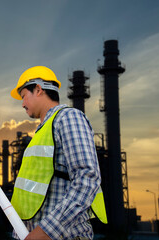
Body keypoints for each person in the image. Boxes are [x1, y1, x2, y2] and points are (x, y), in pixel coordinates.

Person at [10, 66, 107, 240]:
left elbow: (87, 178)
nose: (22, 104)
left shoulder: (68, 117)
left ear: (38, 89)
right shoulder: (43, 131)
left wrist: (45, 231)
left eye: (24, 95)